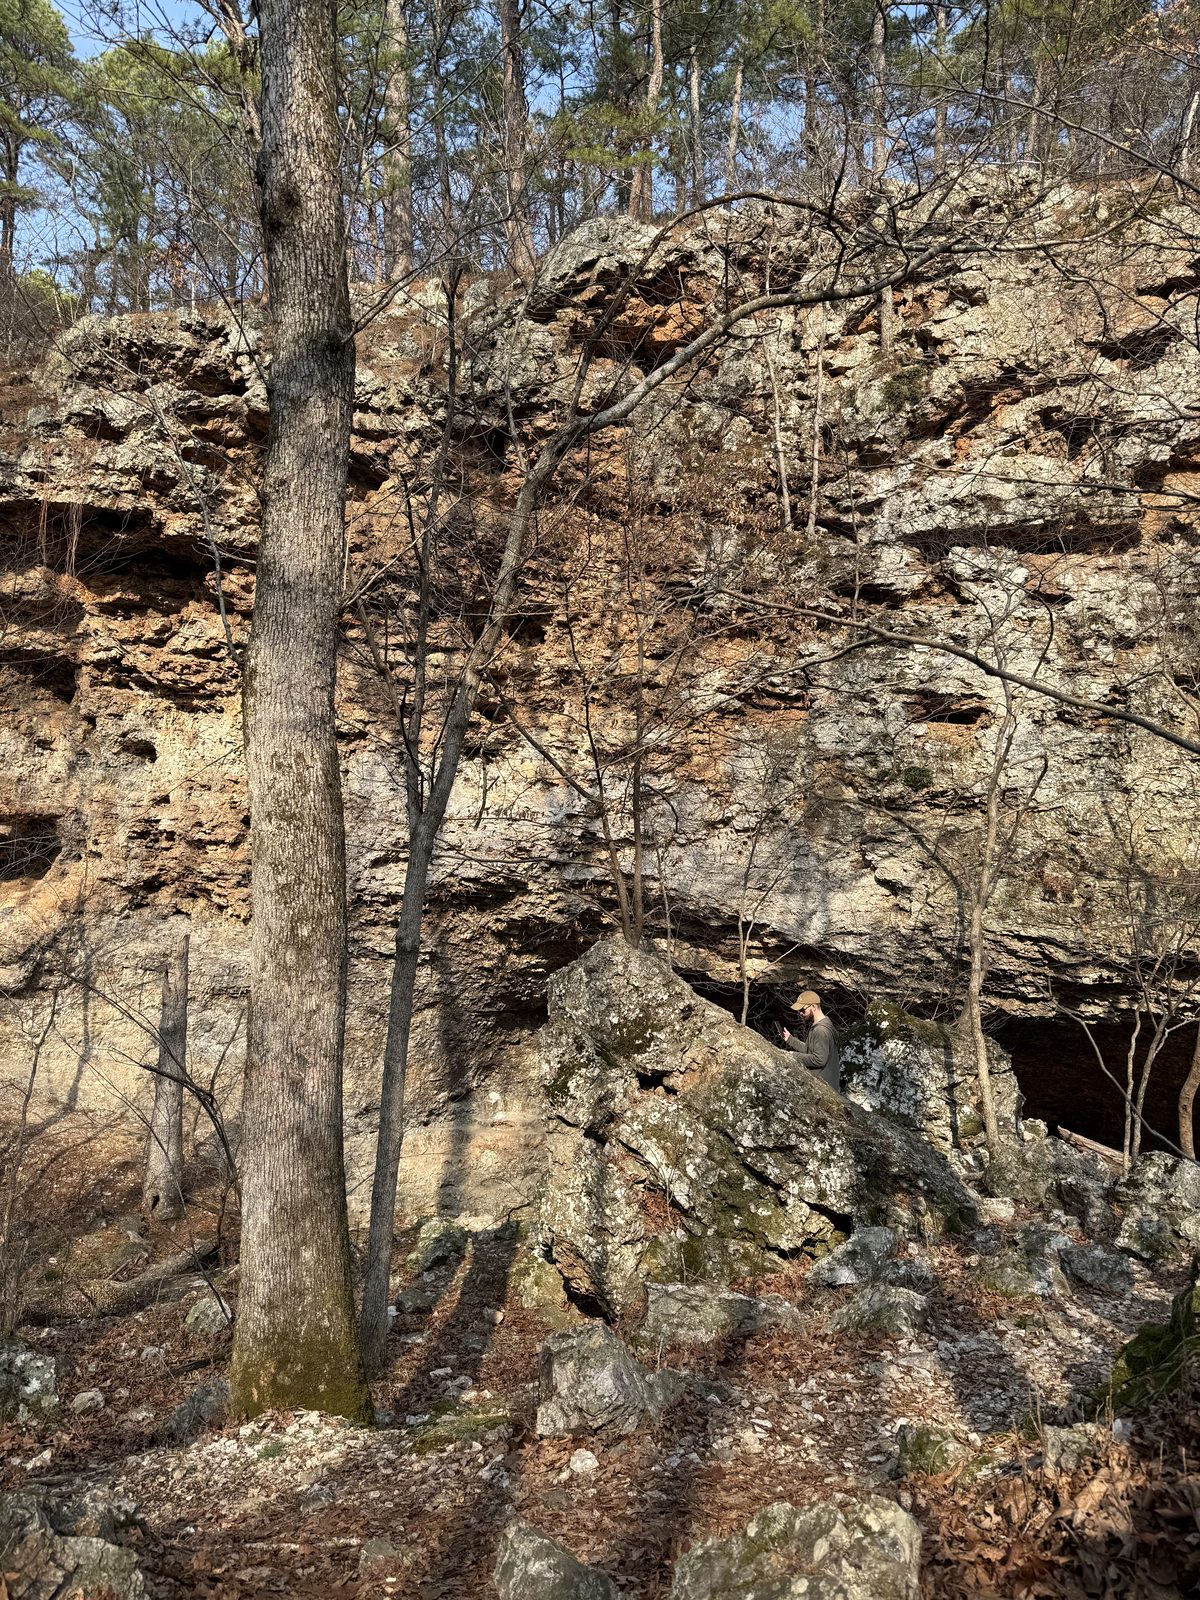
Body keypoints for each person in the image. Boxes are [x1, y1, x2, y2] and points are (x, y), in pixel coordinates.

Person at [781, 989, 841, 1091]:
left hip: (825, 1088)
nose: (800, 1013)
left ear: (813, 1006)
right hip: (825, 1084)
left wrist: (793, 1056)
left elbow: (819, 1060)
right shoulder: (821, 1025)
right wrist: (790, 1039)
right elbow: (810, 1050)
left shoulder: (821, 1031)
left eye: (802, 1010)